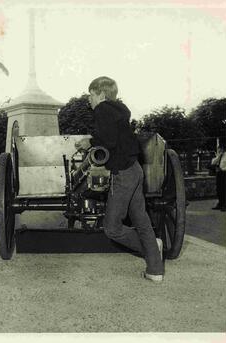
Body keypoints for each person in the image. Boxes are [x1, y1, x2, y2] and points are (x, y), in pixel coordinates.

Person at [75, 76, 164, 282]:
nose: (89, 100)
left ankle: (152, 248)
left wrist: (88, 141)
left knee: (112, 228)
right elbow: (114, 137)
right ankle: (155, 270)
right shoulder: (119, 110)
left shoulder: (102, 109)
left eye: (91, 95)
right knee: (141, 221)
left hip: (123, 173)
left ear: (101, 94)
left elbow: (108, 140)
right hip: (135, 170)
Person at [211, 144, 226, 211]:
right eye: (218, 149)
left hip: (225, 174)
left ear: (223, 149)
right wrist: (218, 156)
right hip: (219, 174)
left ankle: (225, 205)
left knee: (224, 190)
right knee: (219, 190)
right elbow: (213, 162)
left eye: (220, 149)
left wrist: (223, 169)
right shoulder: (219, 156)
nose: (218, 150)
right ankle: (220, 203)